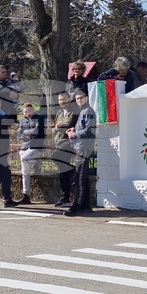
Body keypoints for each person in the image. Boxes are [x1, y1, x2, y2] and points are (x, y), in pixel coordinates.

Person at [63, 88, 97, 216]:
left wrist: (74, 134)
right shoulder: (84, 111)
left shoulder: (88, 111)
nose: (78, 100)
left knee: (79, 177)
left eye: (80, 98)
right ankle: (85, 204)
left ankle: (77, 204)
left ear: (86, 98)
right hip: (81, 146)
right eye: (77, 98)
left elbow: (89, 131)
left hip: (84, 148)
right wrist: (74, 130)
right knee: (82, 176)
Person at [52, 91, 78, 207]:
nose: (62, 102)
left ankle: (73, 172)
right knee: (63, 171)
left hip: (69, 143)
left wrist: (58, 126)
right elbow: (54, 129)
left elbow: (66, 126)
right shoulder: (59, 113)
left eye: (64, 99)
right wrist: (57, 127)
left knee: (55, 157)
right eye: (60, 100)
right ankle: (65, 197)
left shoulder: (73, 111)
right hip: (59, 142)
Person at [17, 103, 45, 204]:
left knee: (24, 160)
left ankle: (36, 162)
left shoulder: (39, 118)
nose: (27, 113)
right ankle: (26, 195)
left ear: (33, 110)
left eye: (29, 111)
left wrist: (25, 132)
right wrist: (29, 133)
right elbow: (19, 135)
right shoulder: (22, 121)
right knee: (25, 173)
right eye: (25, 112)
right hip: (25, 148)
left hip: (36, 148)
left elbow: (37, 131)